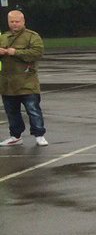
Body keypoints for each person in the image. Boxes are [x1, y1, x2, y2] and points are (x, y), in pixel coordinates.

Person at [1, 9, 48, 147]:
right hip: (7, 83)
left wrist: (16, 52)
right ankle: (15, 136)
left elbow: (37, 52)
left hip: (27, 82)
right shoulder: (3, 37)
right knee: (11, 112)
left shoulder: (32, 36)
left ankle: (39, 135)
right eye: (11, 21)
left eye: (17, 21)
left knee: (33, 110)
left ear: (23, 21)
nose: (14, 24)